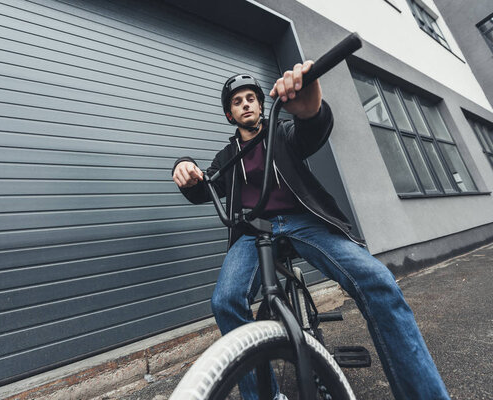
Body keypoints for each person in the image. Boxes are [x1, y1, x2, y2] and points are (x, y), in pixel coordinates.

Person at [172, 62, 450, 400]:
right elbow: (204, 187)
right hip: (253, 230)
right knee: (226, 300)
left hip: (303, 220)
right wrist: (184, 167)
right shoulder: (227, 157)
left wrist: (310, 111)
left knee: (376, 280)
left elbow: (311, 129)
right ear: (230, 114)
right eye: (237, 101)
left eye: (251, 98)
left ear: (261, 105)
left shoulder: (283, 131)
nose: (245, 104)